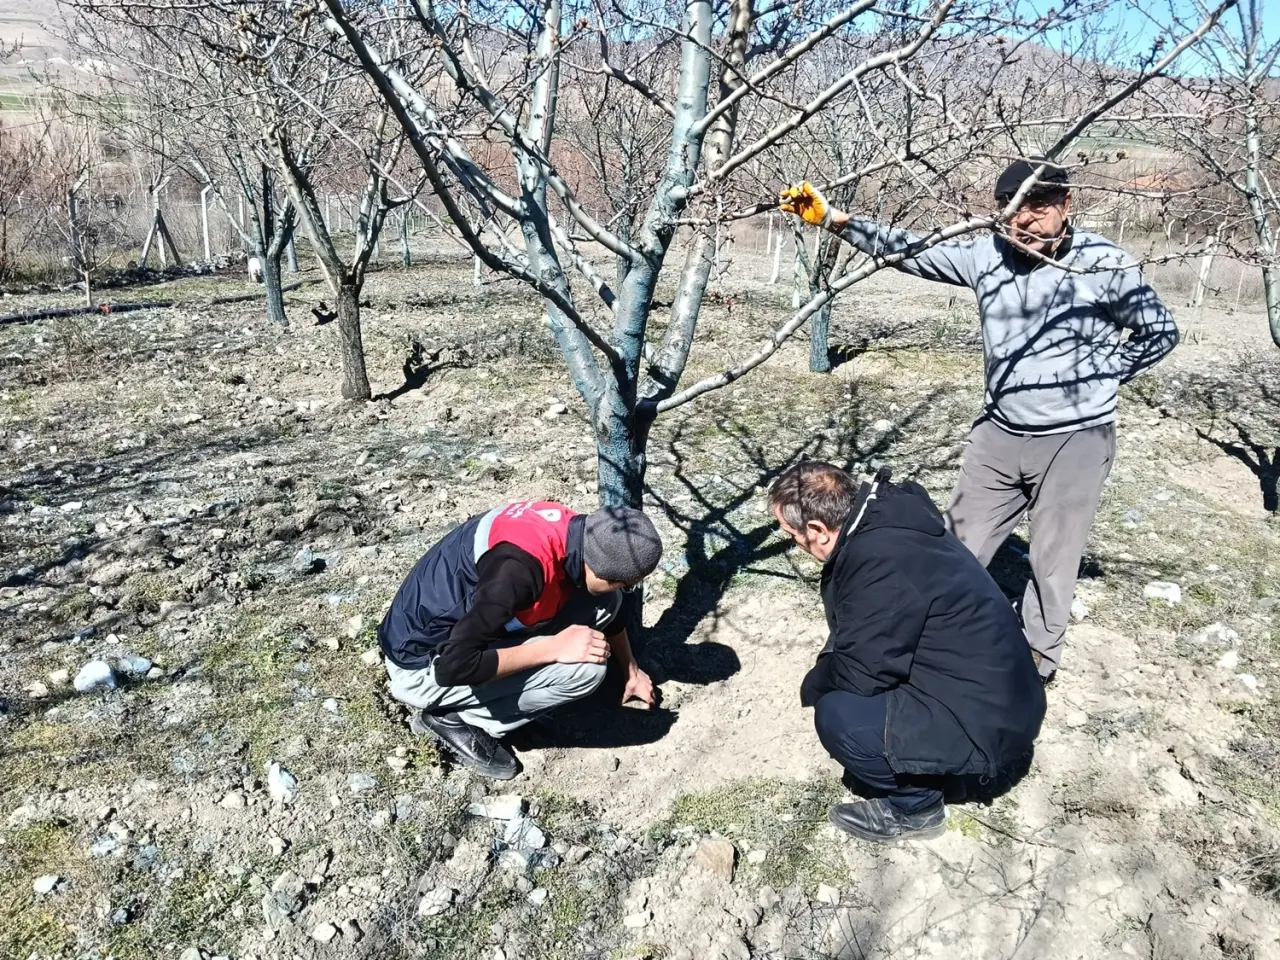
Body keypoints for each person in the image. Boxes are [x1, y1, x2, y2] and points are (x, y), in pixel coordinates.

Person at [780, 160, 1179, 682]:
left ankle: (1036, 659)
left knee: (1052, 559)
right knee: (953, 543)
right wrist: (836, 220)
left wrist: (1100, 378)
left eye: (1039, 207)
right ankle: (928, 635)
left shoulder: (1105, 265)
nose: (1026, 222)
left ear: (1066, 205)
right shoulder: (984, 254)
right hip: (999, 432)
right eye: (1013, 210)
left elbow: (1160, 332)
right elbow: (912, 250)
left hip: (1076, 440)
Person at [769, 461, 1045, 842]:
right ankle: (944, 769)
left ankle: (917, 807)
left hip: (989, 723)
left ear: (817, 530)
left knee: (840, 715)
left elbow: (863, 672)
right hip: (998, 699)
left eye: (790, 533)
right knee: (844, 680)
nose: (791, 541)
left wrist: (816, 681)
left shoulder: (879, 562)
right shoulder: (887, 522)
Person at [378, 499, 663, 779]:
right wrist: (553, 648)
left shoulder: (574, 533)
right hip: (420, 665)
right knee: (585, 670)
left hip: (465, 627)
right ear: (601, 570)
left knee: (605, 602)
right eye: (625, 585)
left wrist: (631, 670)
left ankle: (500, 697)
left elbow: (612, 605)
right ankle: (459, 719)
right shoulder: (518, 571)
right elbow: (453, 667)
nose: (626, 590)